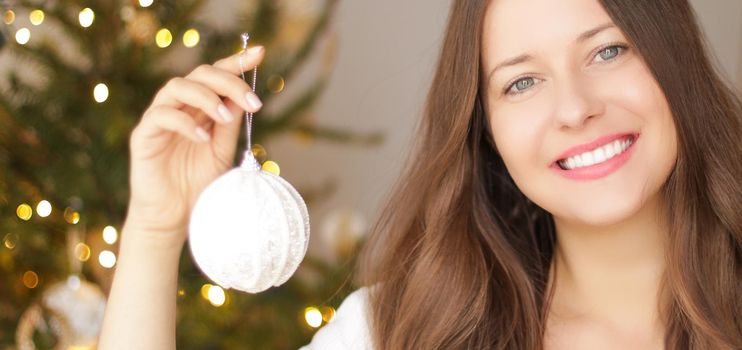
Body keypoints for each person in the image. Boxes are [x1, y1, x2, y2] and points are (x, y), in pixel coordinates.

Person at [98, 0, 742, 348]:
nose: (575, 107)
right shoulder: (395, 331)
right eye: (521, 82)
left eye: (608, 49)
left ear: (672, 59)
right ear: (485, 131)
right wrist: (155, 232)